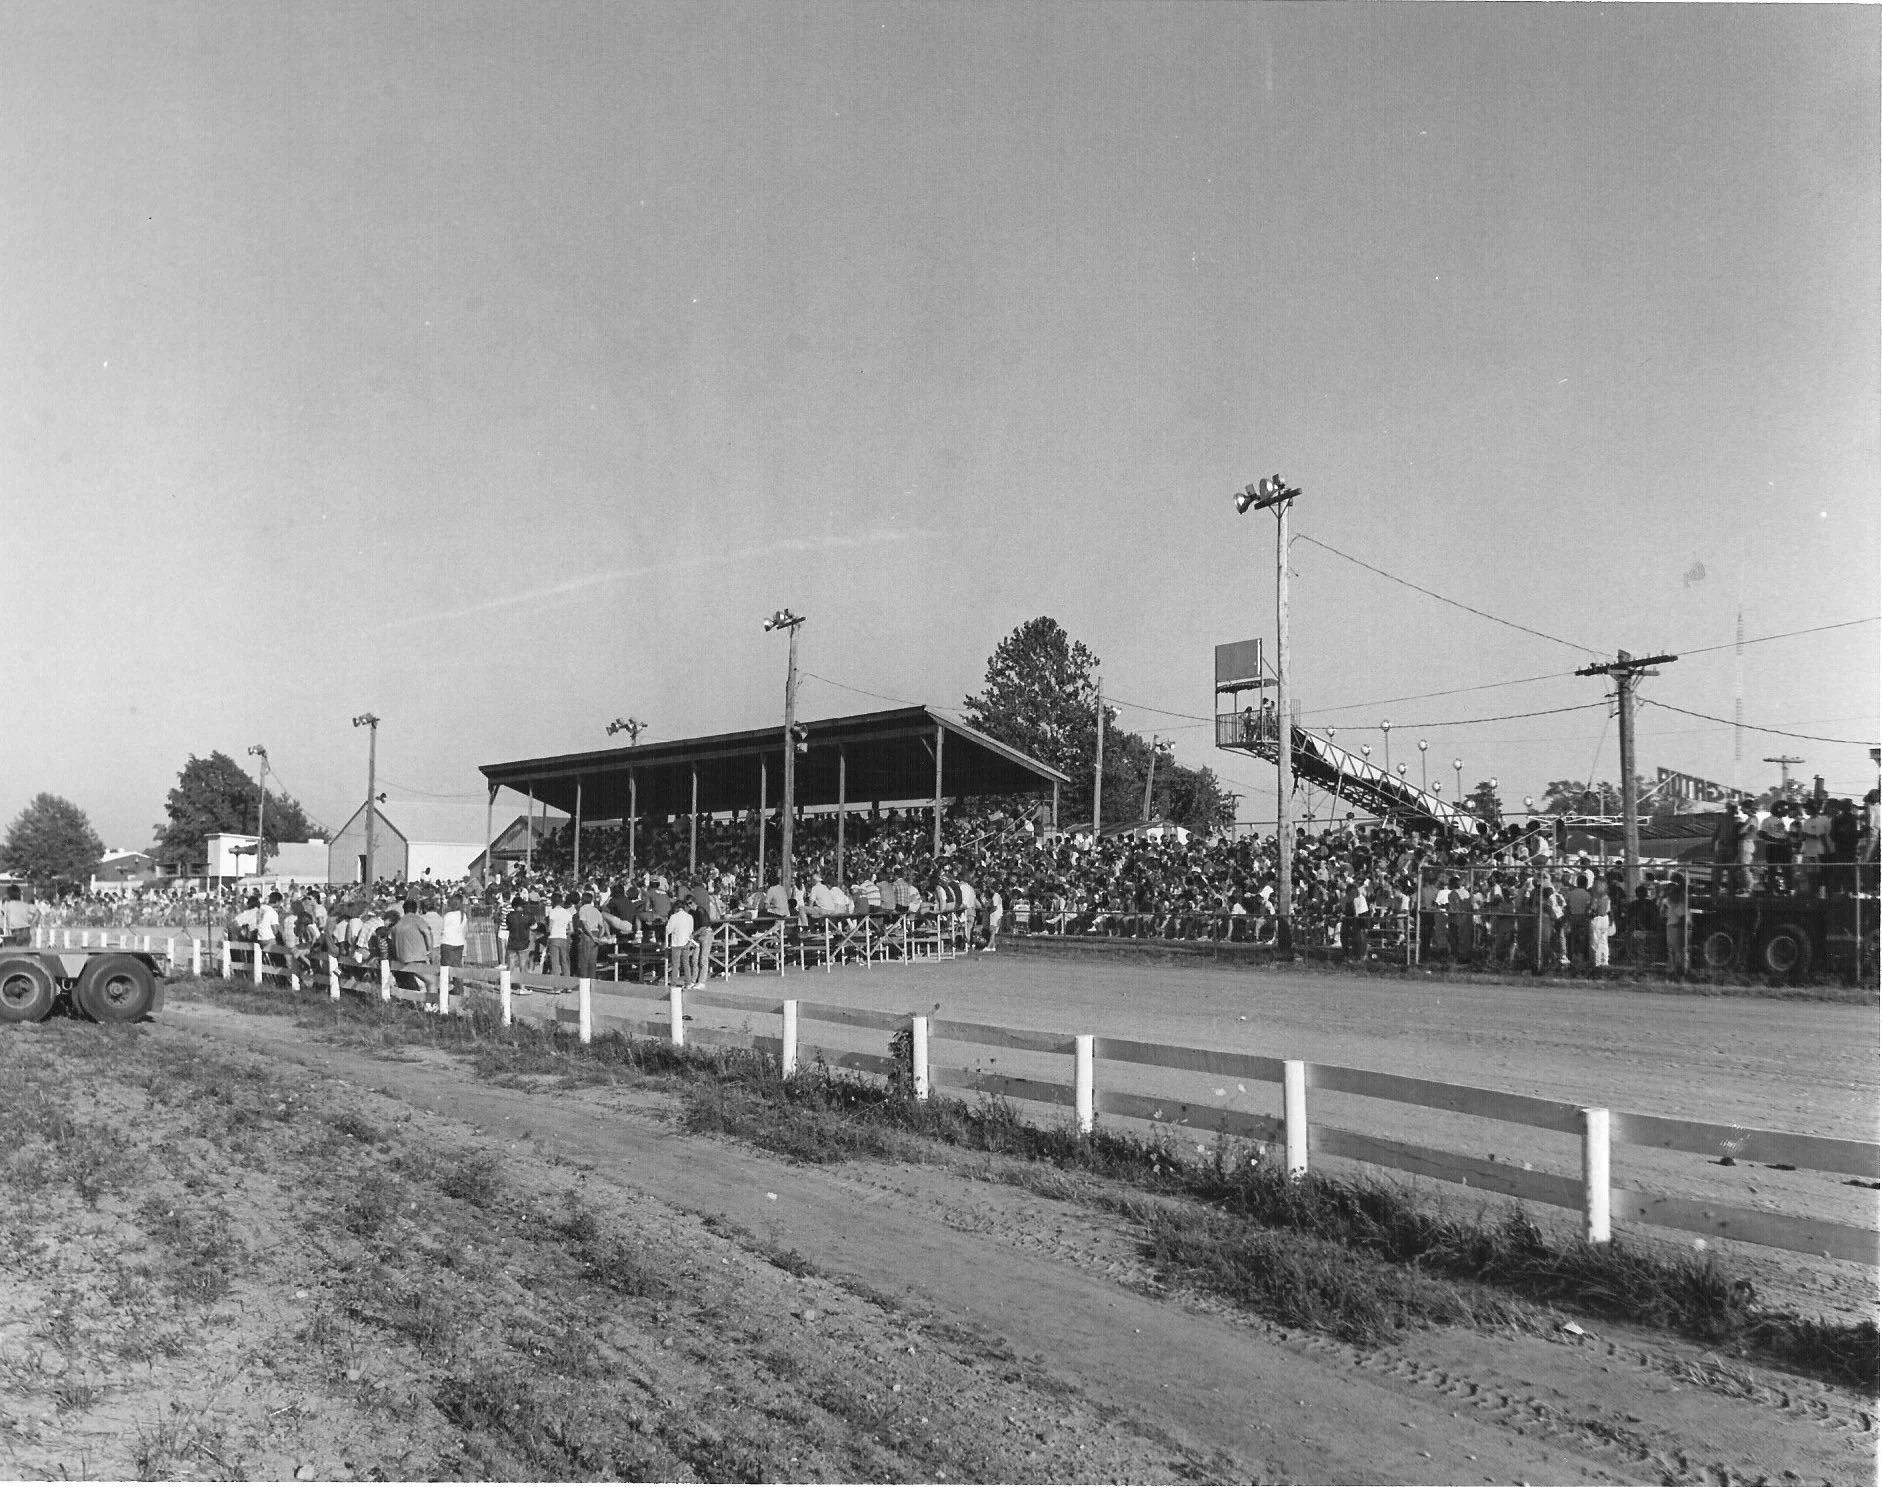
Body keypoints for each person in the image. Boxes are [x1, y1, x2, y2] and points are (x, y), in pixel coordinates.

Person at [390, 897, 439, 995]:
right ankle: (431, 1003)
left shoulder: (397, 924)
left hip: (401, 960)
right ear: (416, 909)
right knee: (433, 981)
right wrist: (430, 950)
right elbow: (427, 932)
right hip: (416, 959)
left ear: (404, 909)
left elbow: (393, 944)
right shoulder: (418, 920)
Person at [665, 895, 695, 987]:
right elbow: (691, 930)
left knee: (675, 965)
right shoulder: (689, 917)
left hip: (676, 942)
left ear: (676, 908)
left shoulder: (674, 917)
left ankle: (673, 983)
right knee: (686, 963)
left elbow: (668, 930)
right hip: (686, 941)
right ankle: (688, 982)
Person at [543, 893, 574, 976]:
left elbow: (550, 928)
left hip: (554, 938)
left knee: (555, 962)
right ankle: (567, 981)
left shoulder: (552, 912)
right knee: (565, 961)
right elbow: (571, 929)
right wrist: (564, 930)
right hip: (564, 938)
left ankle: (556, 983)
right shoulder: (567, 913)